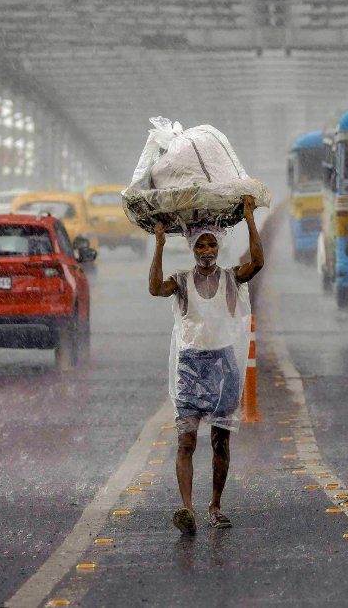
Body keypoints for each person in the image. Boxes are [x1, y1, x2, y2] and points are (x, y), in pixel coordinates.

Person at [148, 195, 263, 535]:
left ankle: (214, 505)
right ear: (193, 249)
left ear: (218, 247)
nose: (207, 249)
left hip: (224, 365)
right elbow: (154, 287)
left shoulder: (232, 277)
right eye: (201, 244)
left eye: (212, 243)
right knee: (186, 441)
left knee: (220, 442)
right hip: (190, 367)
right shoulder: (181, 281)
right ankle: (187, 509)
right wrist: (158, 244)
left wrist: (249, 217)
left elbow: (257, 262)